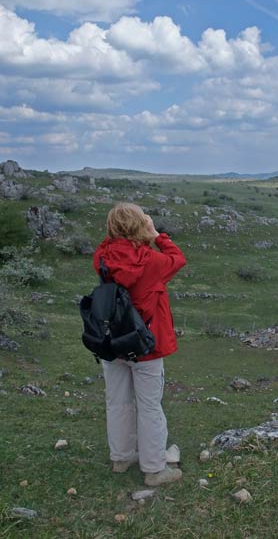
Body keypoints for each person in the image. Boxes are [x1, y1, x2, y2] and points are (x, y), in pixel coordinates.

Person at [92, 202, 186, 486]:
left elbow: (111, 244)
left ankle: (121, 457)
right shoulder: (152, 262)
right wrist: (156, 234)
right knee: (149, 406)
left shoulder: (102, 257)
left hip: (112, 341)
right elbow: (177, 258)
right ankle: (155, 469)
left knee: (118, 402)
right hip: (146, 345)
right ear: (140, 226)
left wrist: (120, 230)